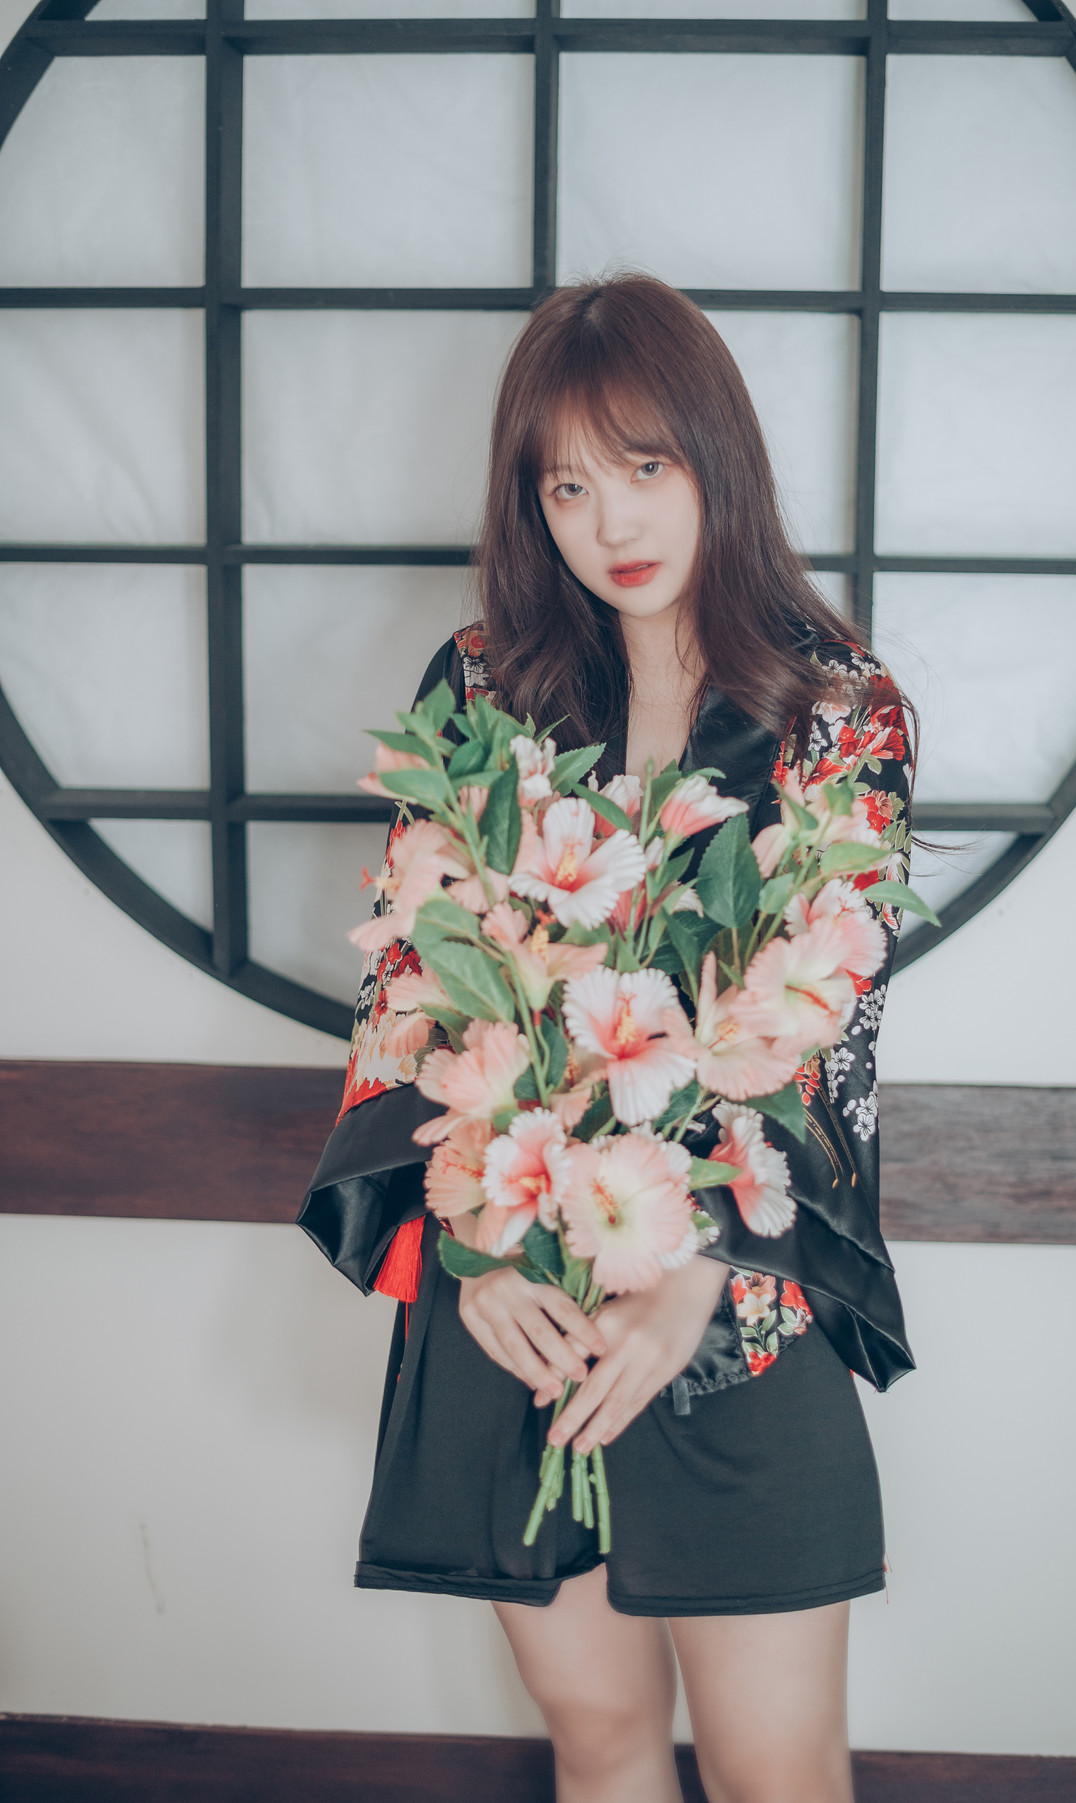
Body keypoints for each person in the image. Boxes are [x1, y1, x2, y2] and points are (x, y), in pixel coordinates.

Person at [299, 273, 917, 1803]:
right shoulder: (482, 687)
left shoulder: (839, 712)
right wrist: (475, 1247)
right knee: (598, 1741)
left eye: (645, 465)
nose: (610, 521)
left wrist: (695, 1270)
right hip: (513, 1301)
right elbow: (412, 986)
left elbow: (823, 1020)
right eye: (565, 486)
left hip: (729, 1308)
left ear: (719, 458)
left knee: (778, 1770)